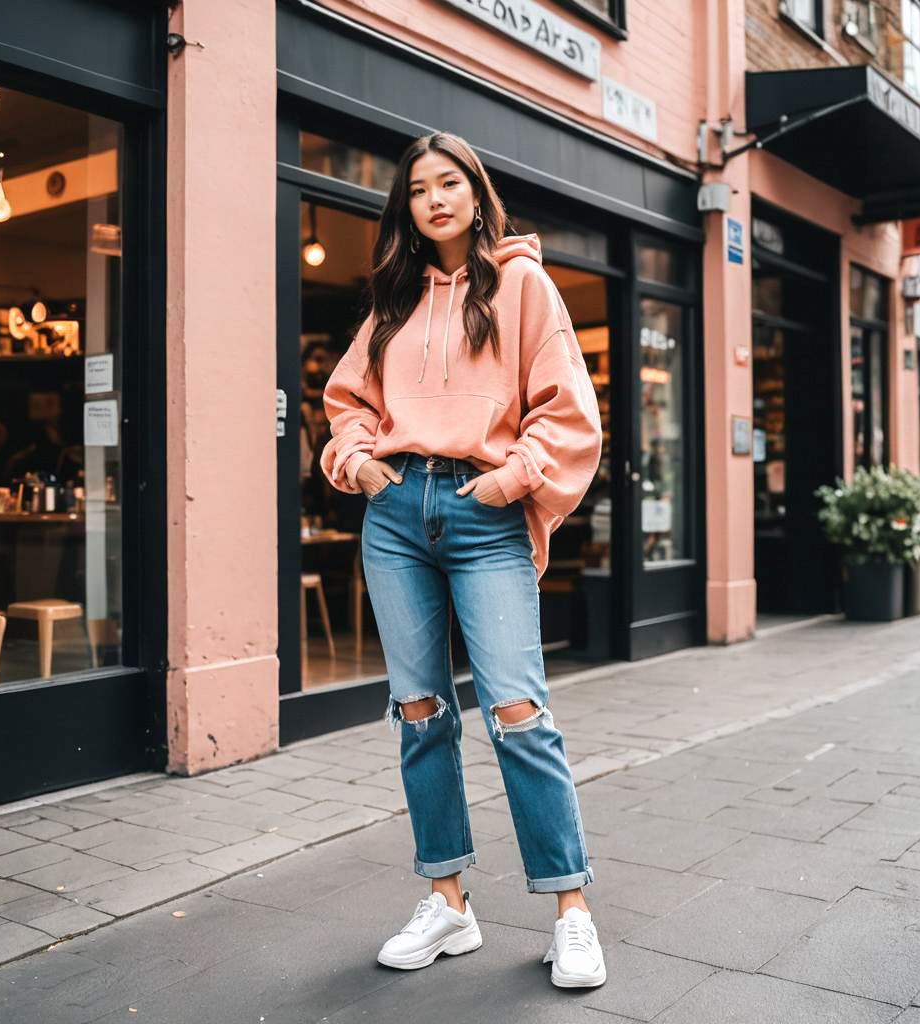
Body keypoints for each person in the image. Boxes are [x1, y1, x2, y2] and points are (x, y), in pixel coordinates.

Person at [320, 130, 605, 989]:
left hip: (485, 514)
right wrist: (359, 462)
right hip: (397, 512)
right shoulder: (395, 297)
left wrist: (512, 479)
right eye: (418, 188)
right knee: (419, 712)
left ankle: (572, 912)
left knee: (519, 710)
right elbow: (346, 399)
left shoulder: (522, 283)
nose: (435, 198)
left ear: (477, 194)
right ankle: (447, 903)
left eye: (450, 183)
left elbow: (568, 411)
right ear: (404, 206)